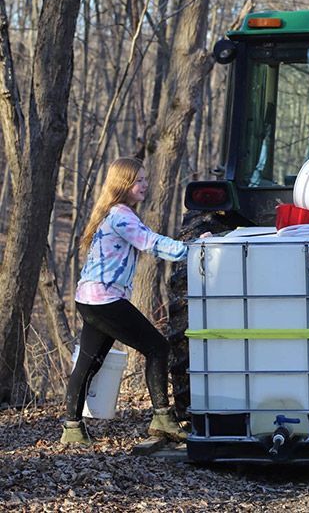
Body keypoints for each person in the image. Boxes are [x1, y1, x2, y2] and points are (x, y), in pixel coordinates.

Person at [62, 157, 210, 446]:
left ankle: (72, 428)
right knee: (157, 347)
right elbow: (150, 242)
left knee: (90, 362)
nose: (144, 184)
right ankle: (161, 418)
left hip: (92, 298)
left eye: (144, 179)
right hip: (103, 300)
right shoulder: (121, 215)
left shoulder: (113, 213)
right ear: (123, 184)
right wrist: (192, 247)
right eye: (138, 180)